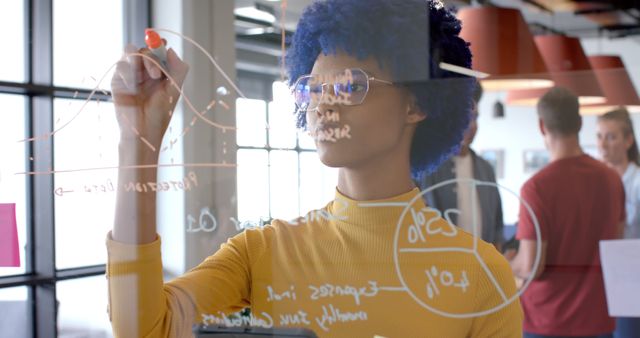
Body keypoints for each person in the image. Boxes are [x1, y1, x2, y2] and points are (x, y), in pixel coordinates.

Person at [107, 0, 522, 337]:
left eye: (349, 85)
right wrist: (138, 141)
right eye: (313, 88)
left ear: (416, 104)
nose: (322, 104)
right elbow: (144, 329)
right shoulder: (263, 252)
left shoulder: (479, 274)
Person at [507, 87, 625, 338]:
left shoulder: (535, 188)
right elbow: (617, 240)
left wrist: (507, 262)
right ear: (580, 123)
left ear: (542, 126)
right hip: (598, 317)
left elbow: (531, 267)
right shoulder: (612, 179)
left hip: (547, 320)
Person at [420, 82, 504, 249]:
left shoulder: (486, 169)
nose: (472, 125)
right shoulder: (425, 168)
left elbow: (497, 228)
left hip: (482, 267)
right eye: (465, 117)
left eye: (475, 117)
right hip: (440, 270)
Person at [596, 107, 640, 338]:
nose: (603, 145)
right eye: (599, 136)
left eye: (611, 137)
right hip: (598, 280)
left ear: (629, 141)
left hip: (632, 280)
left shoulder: (636, 182)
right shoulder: (595, 181)